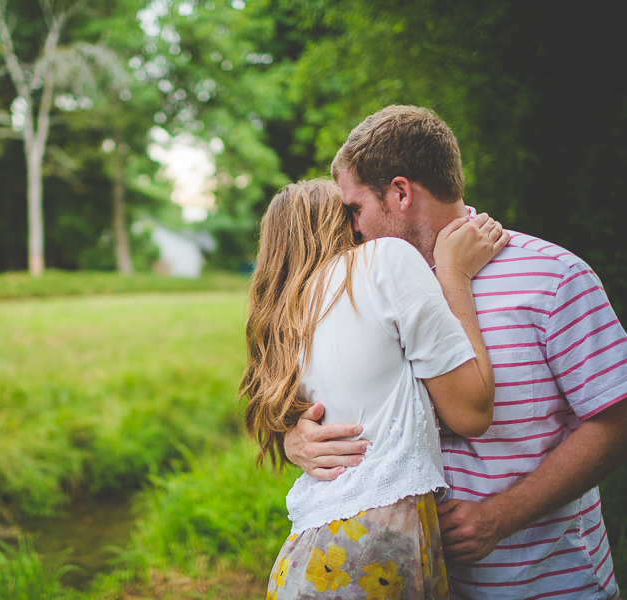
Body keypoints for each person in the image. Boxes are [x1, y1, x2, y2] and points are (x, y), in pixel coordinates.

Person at [284, 105, 627, 599]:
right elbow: (331, 395)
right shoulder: (360, 288)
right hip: (420, 582)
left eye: (356, 208)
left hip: (547, 584)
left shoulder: (554, 278)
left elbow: (615, 419)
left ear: (401, 193)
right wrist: (300, 438)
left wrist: (499, 517)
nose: (351, 229)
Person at [241, 178, 508, 599]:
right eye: (353, 209)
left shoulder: (290, 317)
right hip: (369, 551)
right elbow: (471, 411)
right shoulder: (382, 261)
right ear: (343, 221)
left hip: (317, 554)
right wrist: (454, 272)